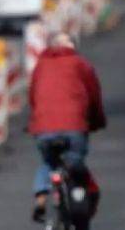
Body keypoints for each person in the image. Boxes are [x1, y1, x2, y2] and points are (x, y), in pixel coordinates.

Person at [29, 32, 106, 222]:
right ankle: (79, 205)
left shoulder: (41, 64)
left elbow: (33, 96)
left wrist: (37, 120)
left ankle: (41, 199)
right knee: (75, 165)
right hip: (74, 128)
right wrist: (97, 121)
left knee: (48, 162)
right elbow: (94, 95)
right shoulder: (80, 63)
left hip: (43, 127)